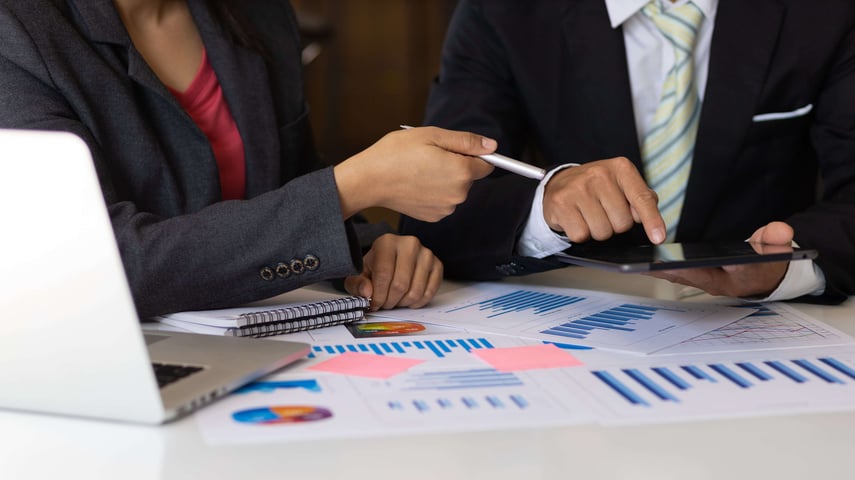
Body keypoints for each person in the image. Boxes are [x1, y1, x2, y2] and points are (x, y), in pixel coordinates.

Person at [0, 0, 497, 318]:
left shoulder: (259, 13)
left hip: (268, 347)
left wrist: (368, 247)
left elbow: (289, 189)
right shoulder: (16, 30)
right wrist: (353, 187)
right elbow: (102, 263)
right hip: (116, 366)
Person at [401, 0, 855, 303]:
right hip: (581, 324)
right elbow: (435, 211)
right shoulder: (501, 11)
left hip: (771, 325)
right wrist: (545, 209)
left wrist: (788, 267)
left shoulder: (832, 11)